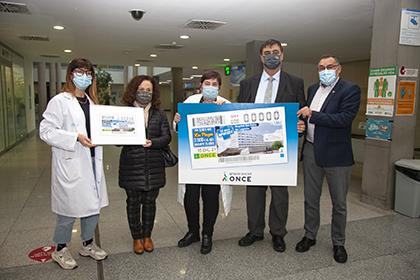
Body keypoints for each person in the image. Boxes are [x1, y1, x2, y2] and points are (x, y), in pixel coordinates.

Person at [39, 57, 109, 270]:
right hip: (72, 161)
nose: (85, 76)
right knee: (68, 209)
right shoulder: (60, 101)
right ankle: (60, 249)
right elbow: (45, 131)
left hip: (92, 161)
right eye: (80, 72)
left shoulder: (92, 102)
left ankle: (87, 244)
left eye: (89, 73)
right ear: (70, 74)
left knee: (92, 206)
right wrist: (75, 137)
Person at [237, 39, 306, 252]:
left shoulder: (295, 82)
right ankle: (255, 231)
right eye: (267, 52)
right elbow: (238, 114)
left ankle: (278, 233)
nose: (271, 55)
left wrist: (301, 125)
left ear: (282, 55)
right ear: (261, 57)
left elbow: (301, 112)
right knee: (254, 192)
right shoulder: (248, 83)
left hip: (281, 148)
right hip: (254, 147)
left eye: (275, 52)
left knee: (279, 193)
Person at [296, 54, 361, 263]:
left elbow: (344, 119)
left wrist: (313, 114)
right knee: (310, 199)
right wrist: (300, 127)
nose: (325, 71)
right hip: (312, 151)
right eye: (321, 67)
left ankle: (338, 242)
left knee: (339, 203)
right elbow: (306, 118)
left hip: (337, 155)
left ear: (338, 68)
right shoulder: (312, 89)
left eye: (330, 67)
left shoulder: (350, 89)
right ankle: (310, 235)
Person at [173, 70, 233, 254]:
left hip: (214, 161)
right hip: (192, 159)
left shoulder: (226, 104)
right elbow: (178, 130)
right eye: (207, 83)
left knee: (210, 197)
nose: (210, 87)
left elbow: (232, 136)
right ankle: (193, 232)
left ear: (219, 87)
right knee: (190, 197)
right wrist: (177, 121)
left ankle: (207, 234)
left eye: (215, 84)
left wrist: (226, 113)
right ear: (201, 86)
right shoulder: (190, 103)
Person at [118, 75, 171, 255]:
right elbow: (117, 140)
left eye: (149, 90)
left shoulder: (160, 113)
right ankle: (136, 237)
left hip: (154, 165)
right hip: (132, 164)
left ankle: (147, 236)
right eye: (141, 89)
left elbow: (166, 137)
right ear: (134, 90)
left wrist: (152, 142)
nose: (144, 93)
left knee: (150, 203)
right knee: (133, 203)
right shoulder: (124, 112)